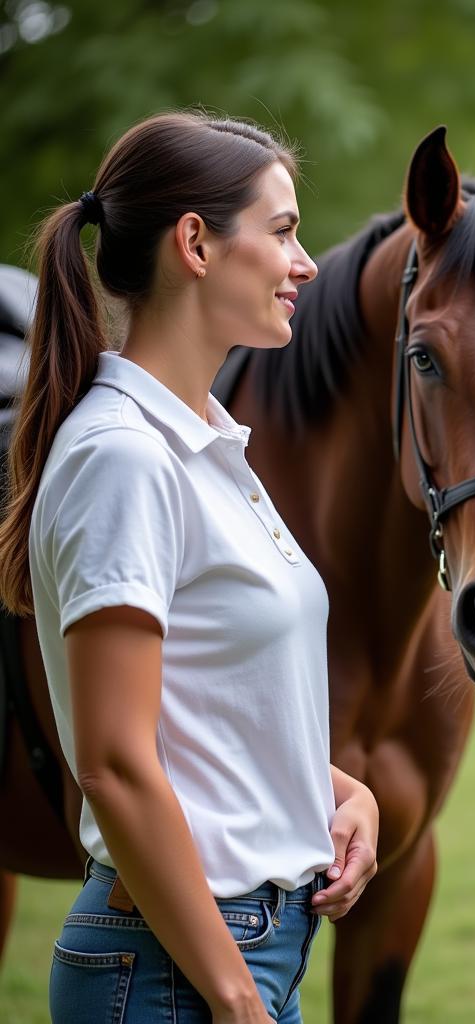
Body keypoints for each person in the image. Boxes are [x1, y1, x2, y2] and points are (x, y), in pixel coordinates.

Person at [0, 111, 379, 1023]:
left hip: (240, 950)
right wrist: (233, 997)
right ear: (197, 245)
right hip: (176, 967)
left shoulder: (207, 443)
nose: (307, 263)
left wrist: (339, 789)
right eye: (283, 231)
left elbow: (204, 704)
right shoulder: (124, 457)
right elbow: (117, 761)